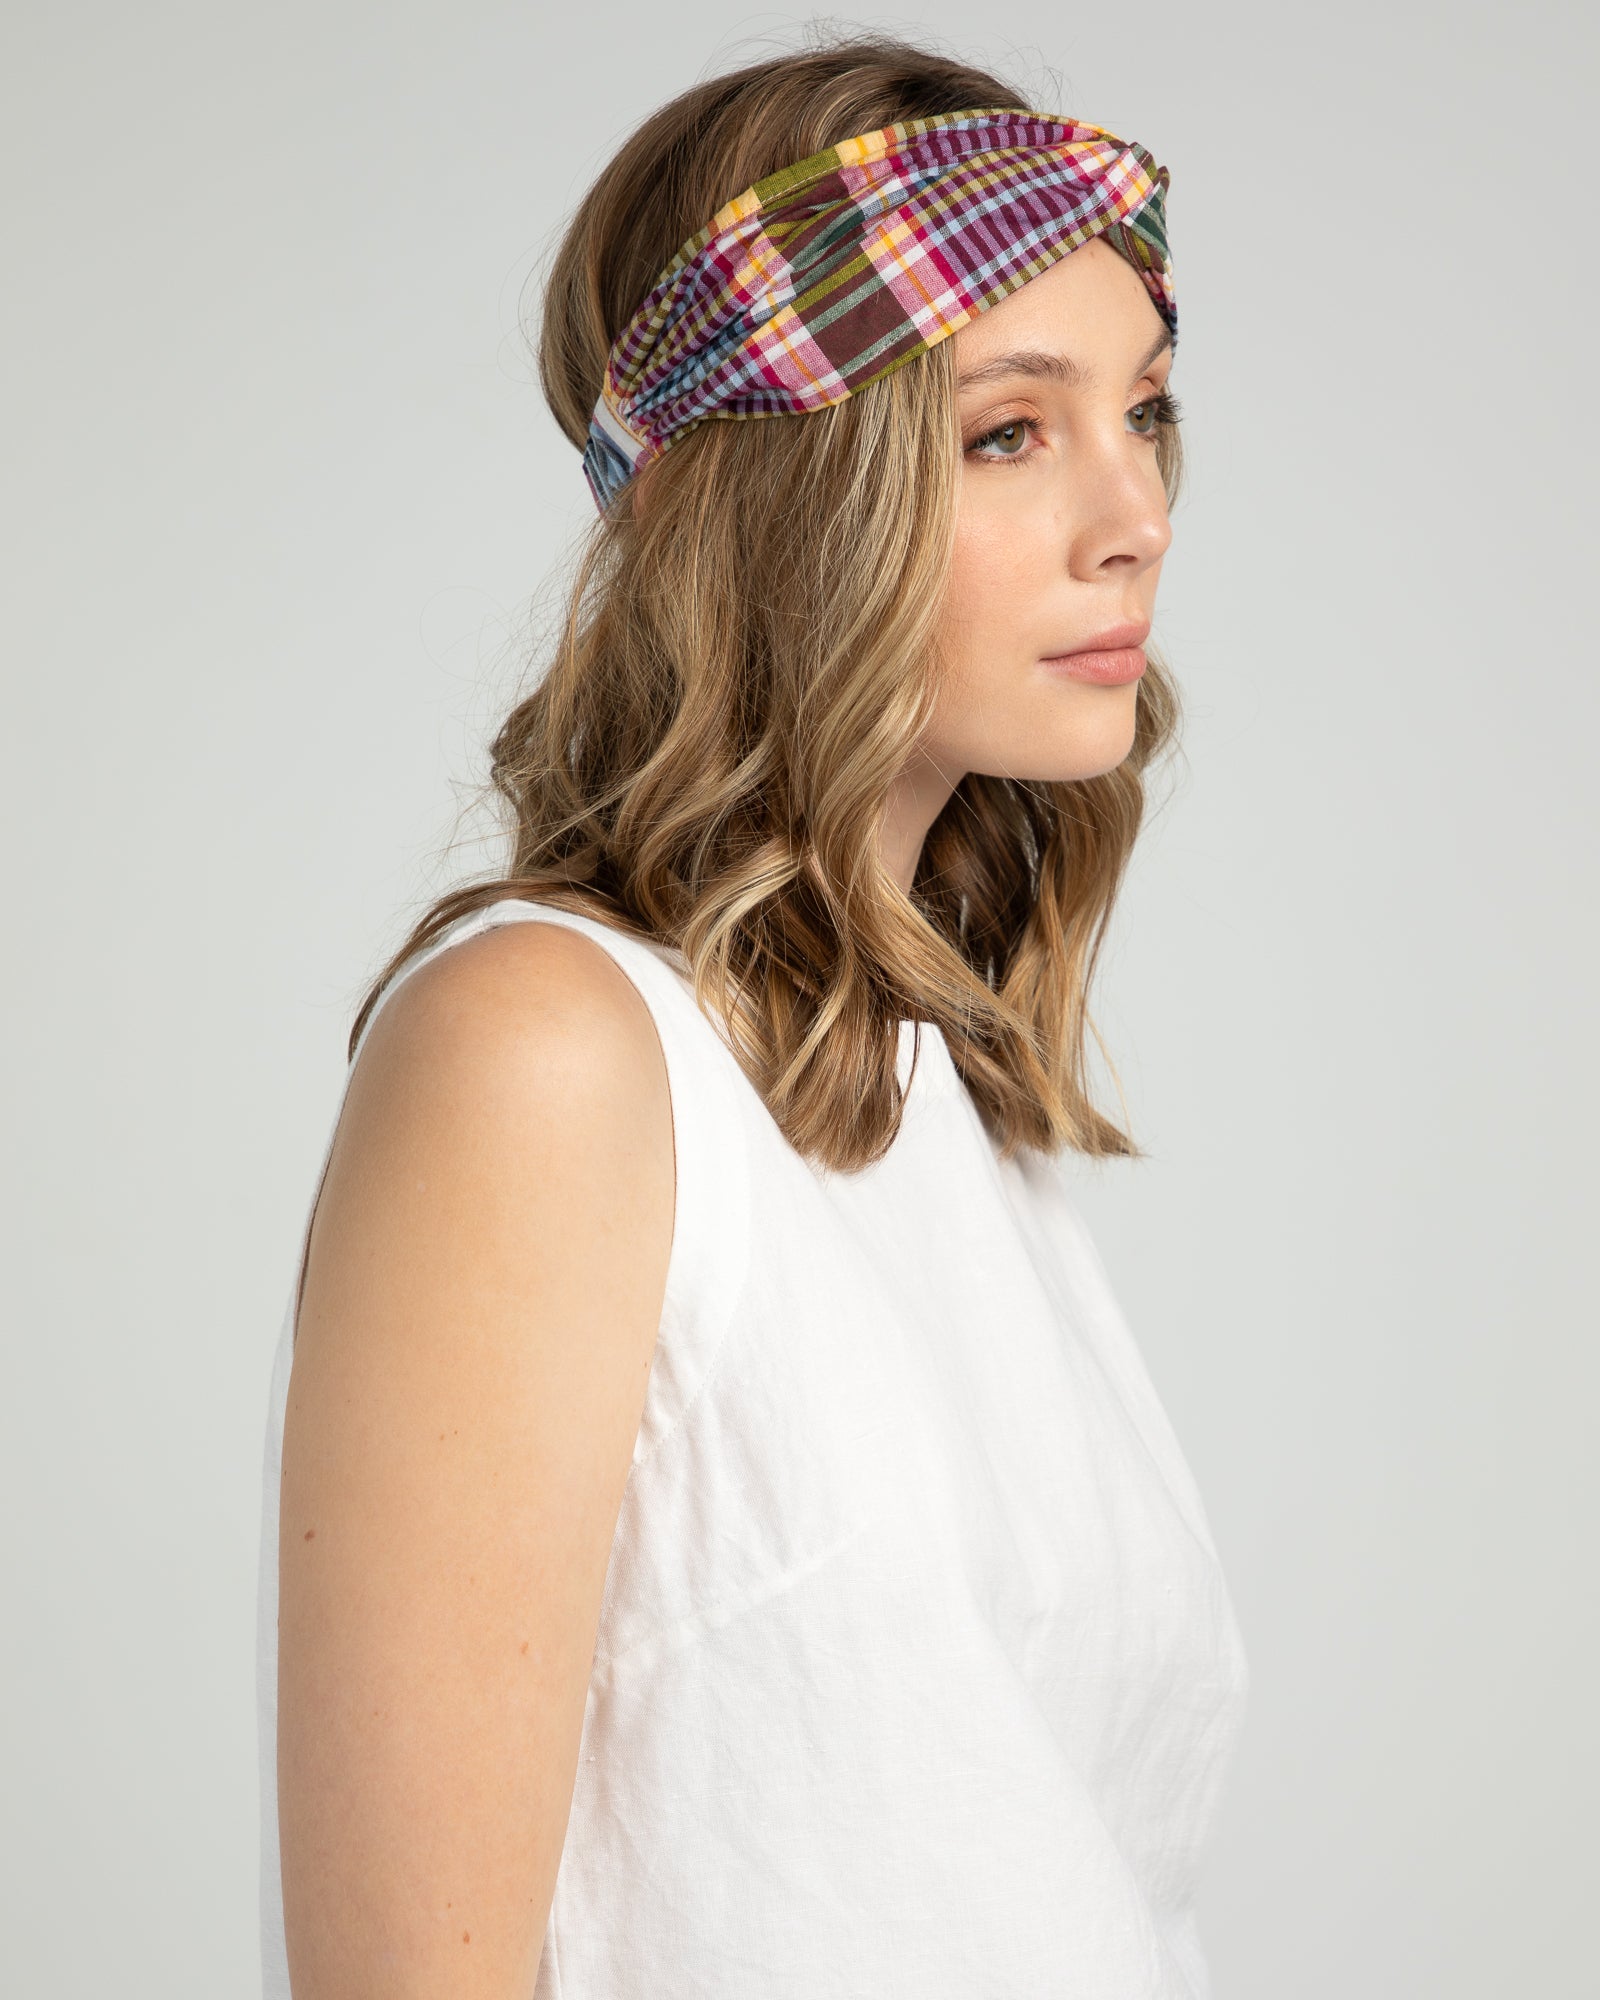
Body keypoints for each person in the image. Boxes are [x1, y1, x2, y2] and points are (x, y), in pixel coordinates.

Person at [256, 30, 1251, 1999]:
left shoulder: (931, 1090)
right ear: (778, 491)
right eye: (1006, 432)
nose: (1133, 509)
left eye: (1142, 410)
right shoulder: (544, 1053)